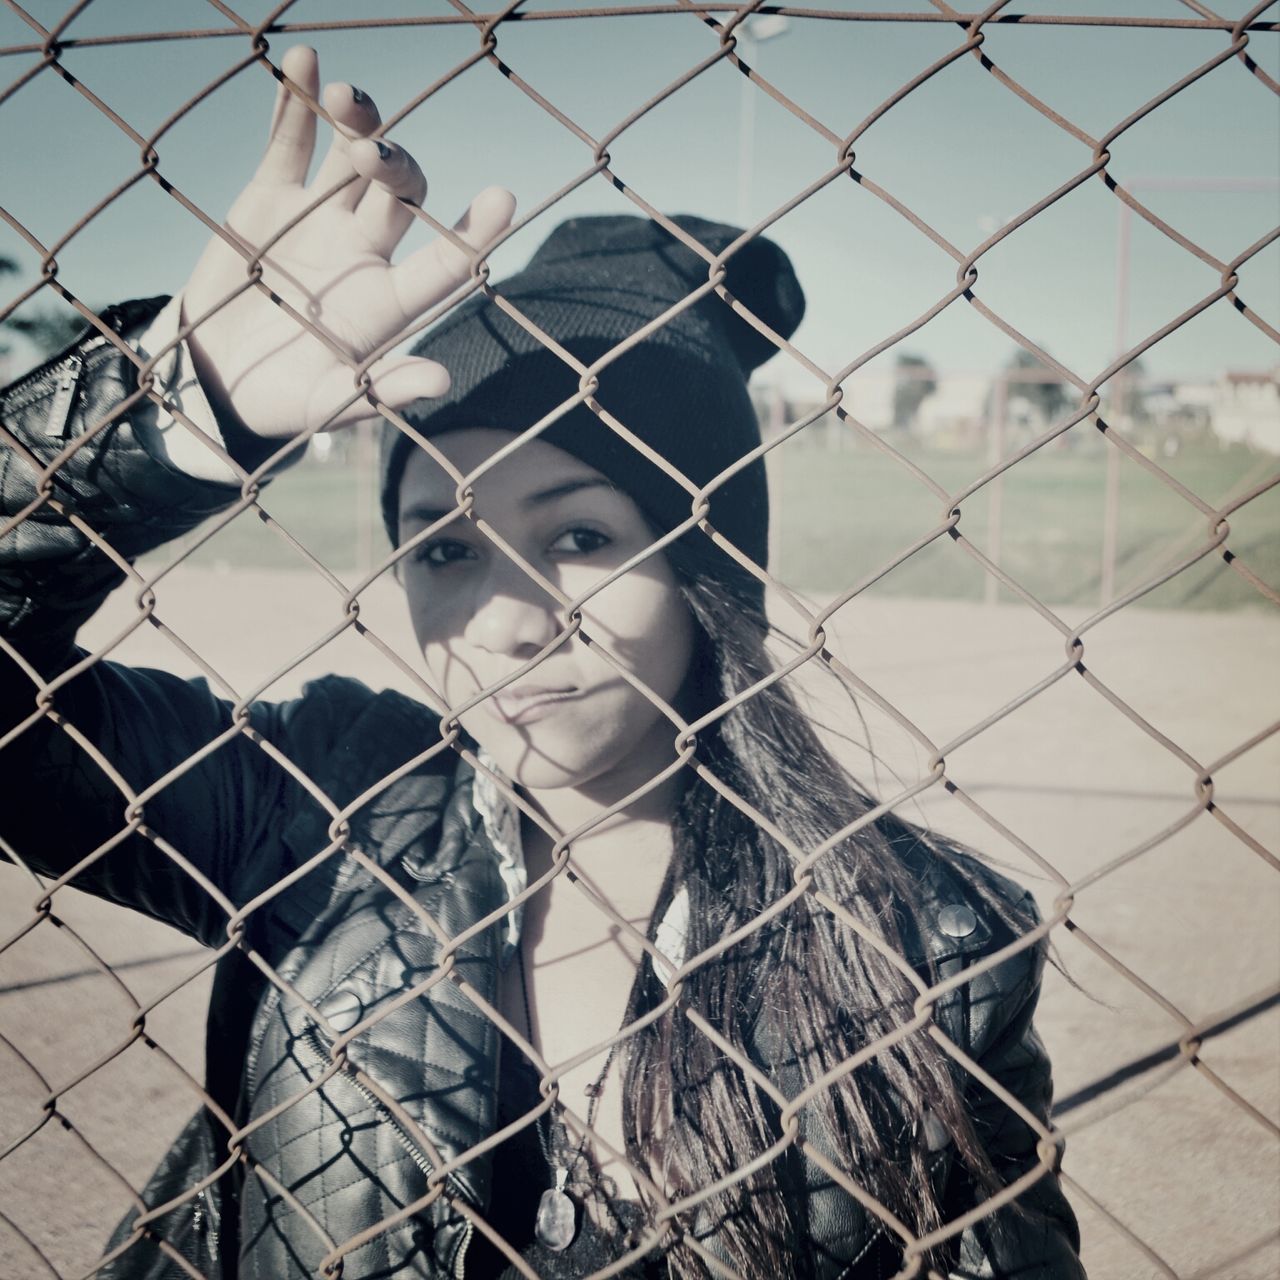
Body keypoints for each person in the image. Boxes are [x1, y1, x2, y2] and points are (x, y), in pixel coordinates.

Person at [0, 46, 1085, 1280]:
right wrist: (174, 417)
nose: (508, 620)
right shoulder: (314, 808)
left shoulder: (927, 939)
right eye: (445, 547)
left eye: (577, 536)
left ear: (704, 562)